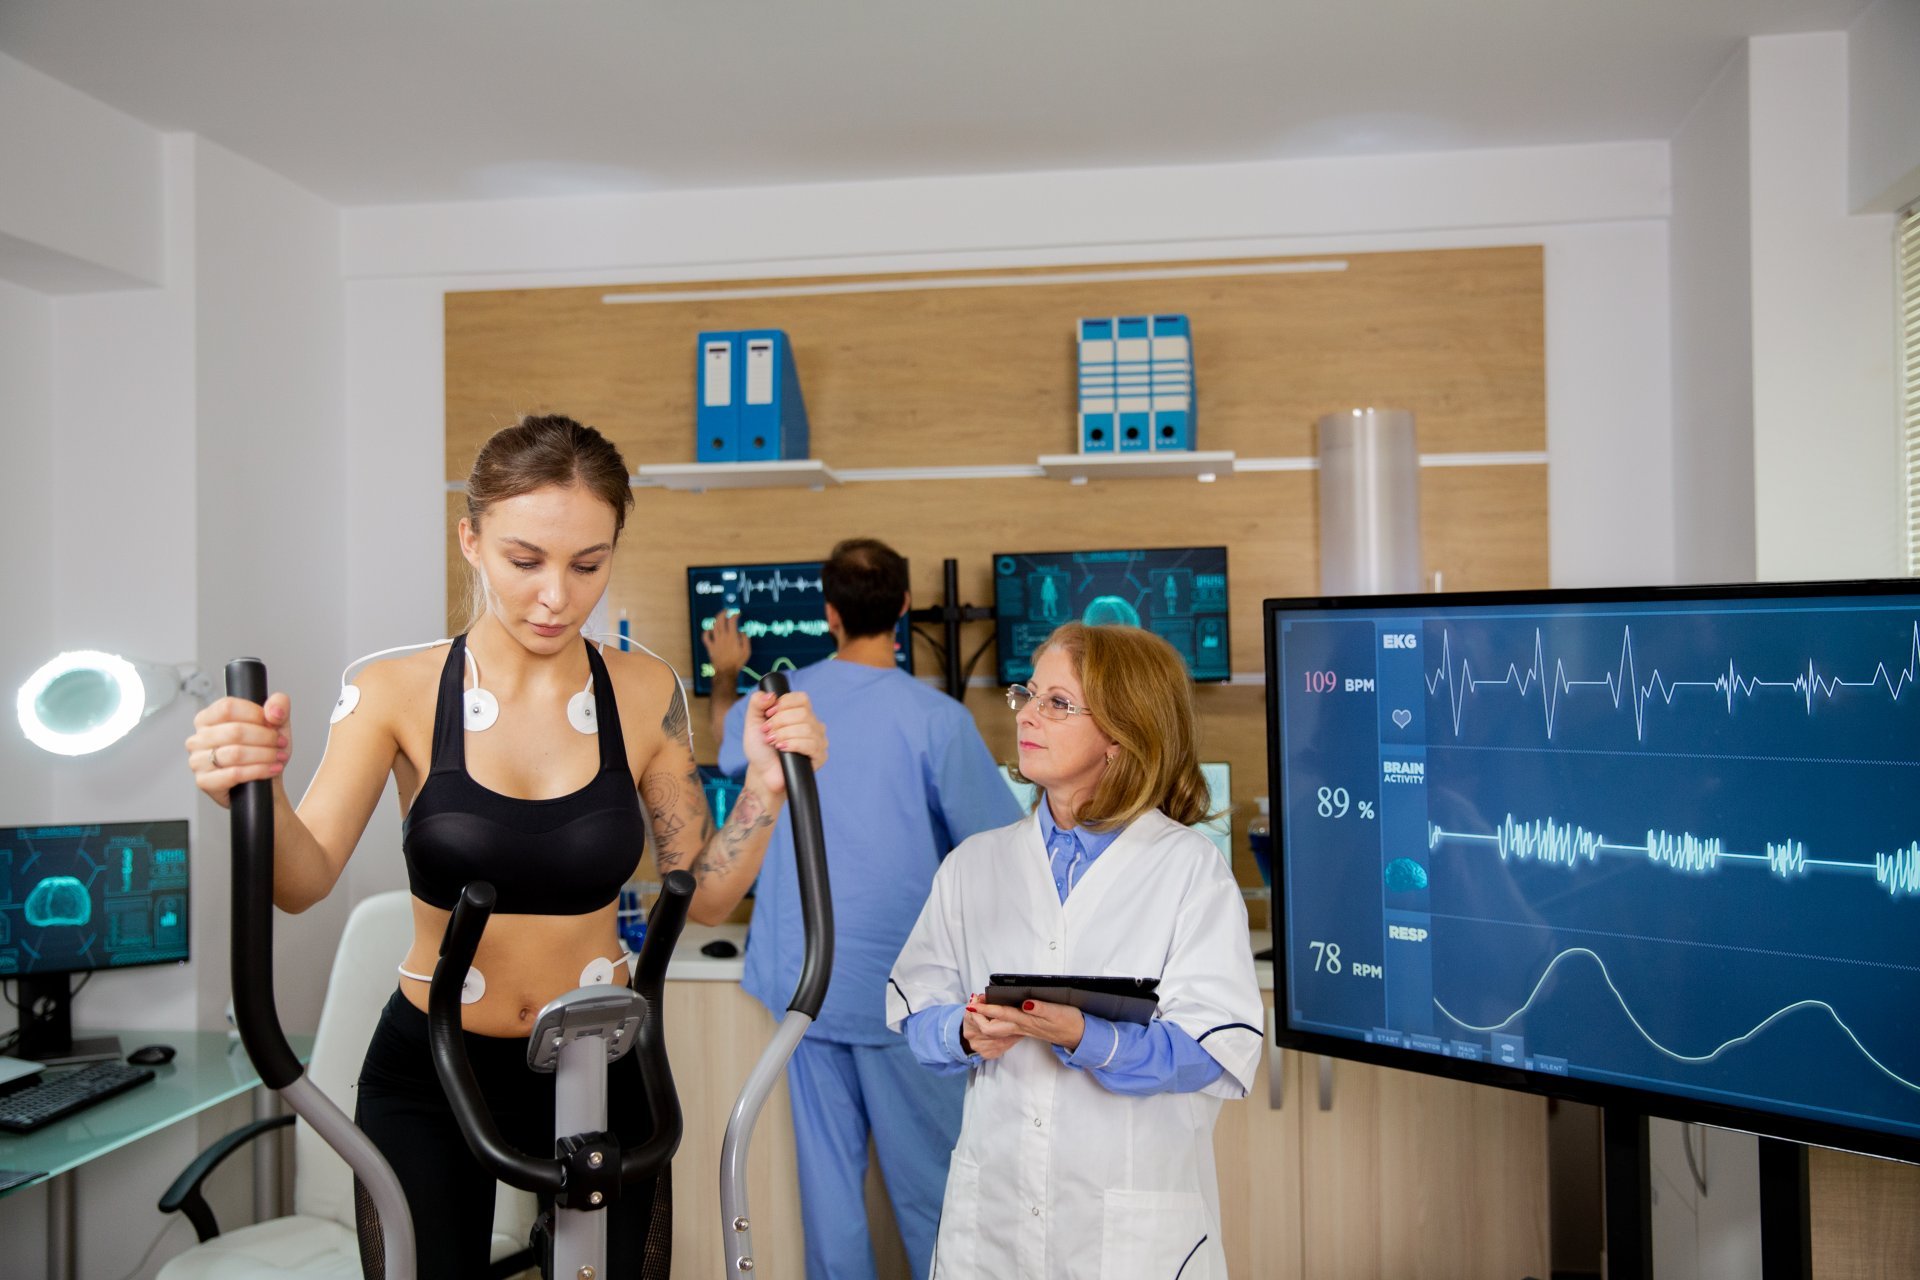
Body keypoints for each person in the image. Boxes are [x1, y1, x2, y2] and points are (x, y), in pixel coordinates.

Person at [185, 415, 826, 1280]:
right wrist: (250, 790)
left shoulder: (644, 690)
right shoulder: (394, 689)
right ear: (472, 541)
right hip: (434, 1066)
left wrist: (762, 791)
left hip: (600, 1061)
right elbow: (301, 882)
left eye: (587, 565)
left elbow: (703, 895)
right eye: (526, 561)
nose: (556, 596)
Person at [887, 622, 1263, 1280]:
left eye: (1057, 703)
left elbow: (1214, 1047)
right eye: (1029, 694)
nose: (1027, 714)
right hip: (993, 1225)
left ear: (1122, 735)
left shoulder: (1188, 872)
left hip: (1127, 1235)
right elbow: (917, 1013)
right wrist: (966, 1032)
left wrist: (1089, 1037)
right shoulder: (975, 865)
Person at [703, 538, 1023, 1280]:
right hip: (902, 995)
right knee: (934, 1197)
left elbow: (730, 756)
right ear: (907, 608)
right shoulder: (937, 720)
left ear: (830, 614)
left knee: (832, 1206)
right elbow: (1001, 851)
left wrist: (725, 674)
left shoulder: (781, 705)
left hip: (805, 993)